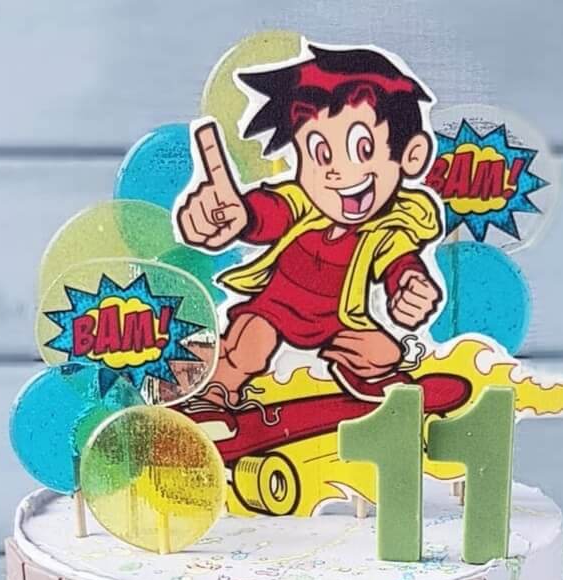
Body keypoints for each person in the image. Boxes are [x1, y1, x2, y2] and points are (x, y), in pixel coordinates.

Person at [177, 45, 444, 432]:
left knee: (382, 352)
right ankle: (214, 393)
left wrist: (410, 287)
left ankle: (363, 381)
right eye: (319, 153)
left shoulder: (391, 224)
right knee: (249, 346)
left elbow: (398, 261)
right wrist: (235, 216)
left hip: (339, 319)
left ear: (412, 155)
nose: (336, 172)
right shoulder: (303, 201)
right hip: (275, 308)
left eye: (362, 148)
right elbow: (269, 213)